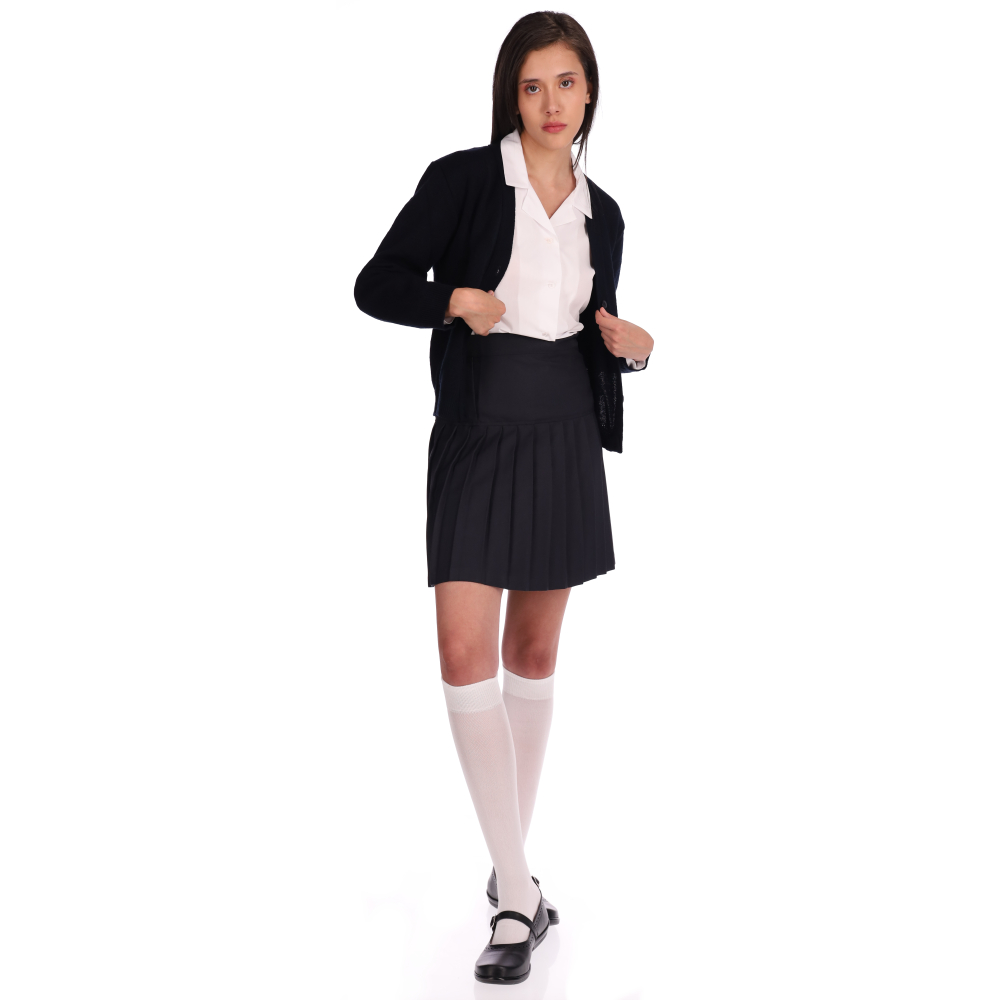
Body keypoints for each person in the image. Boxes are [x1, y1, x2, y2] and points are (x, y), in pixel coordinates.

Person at [354, 11, 653, 985]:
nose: (551, 103)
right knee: (460, 653)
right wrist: (451, 300)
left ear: (590, 91)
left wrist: (633, 349)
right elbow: (376, 283)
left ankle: (510, 886)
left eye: (566, 83)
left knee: (531, 653)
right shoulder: (463, 181)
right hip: (479, 427)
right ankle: (520, 892)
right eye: (532, 86)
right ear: (509, 96)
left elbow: (595, 324)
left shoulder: (606, 213)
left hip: (562, 429)